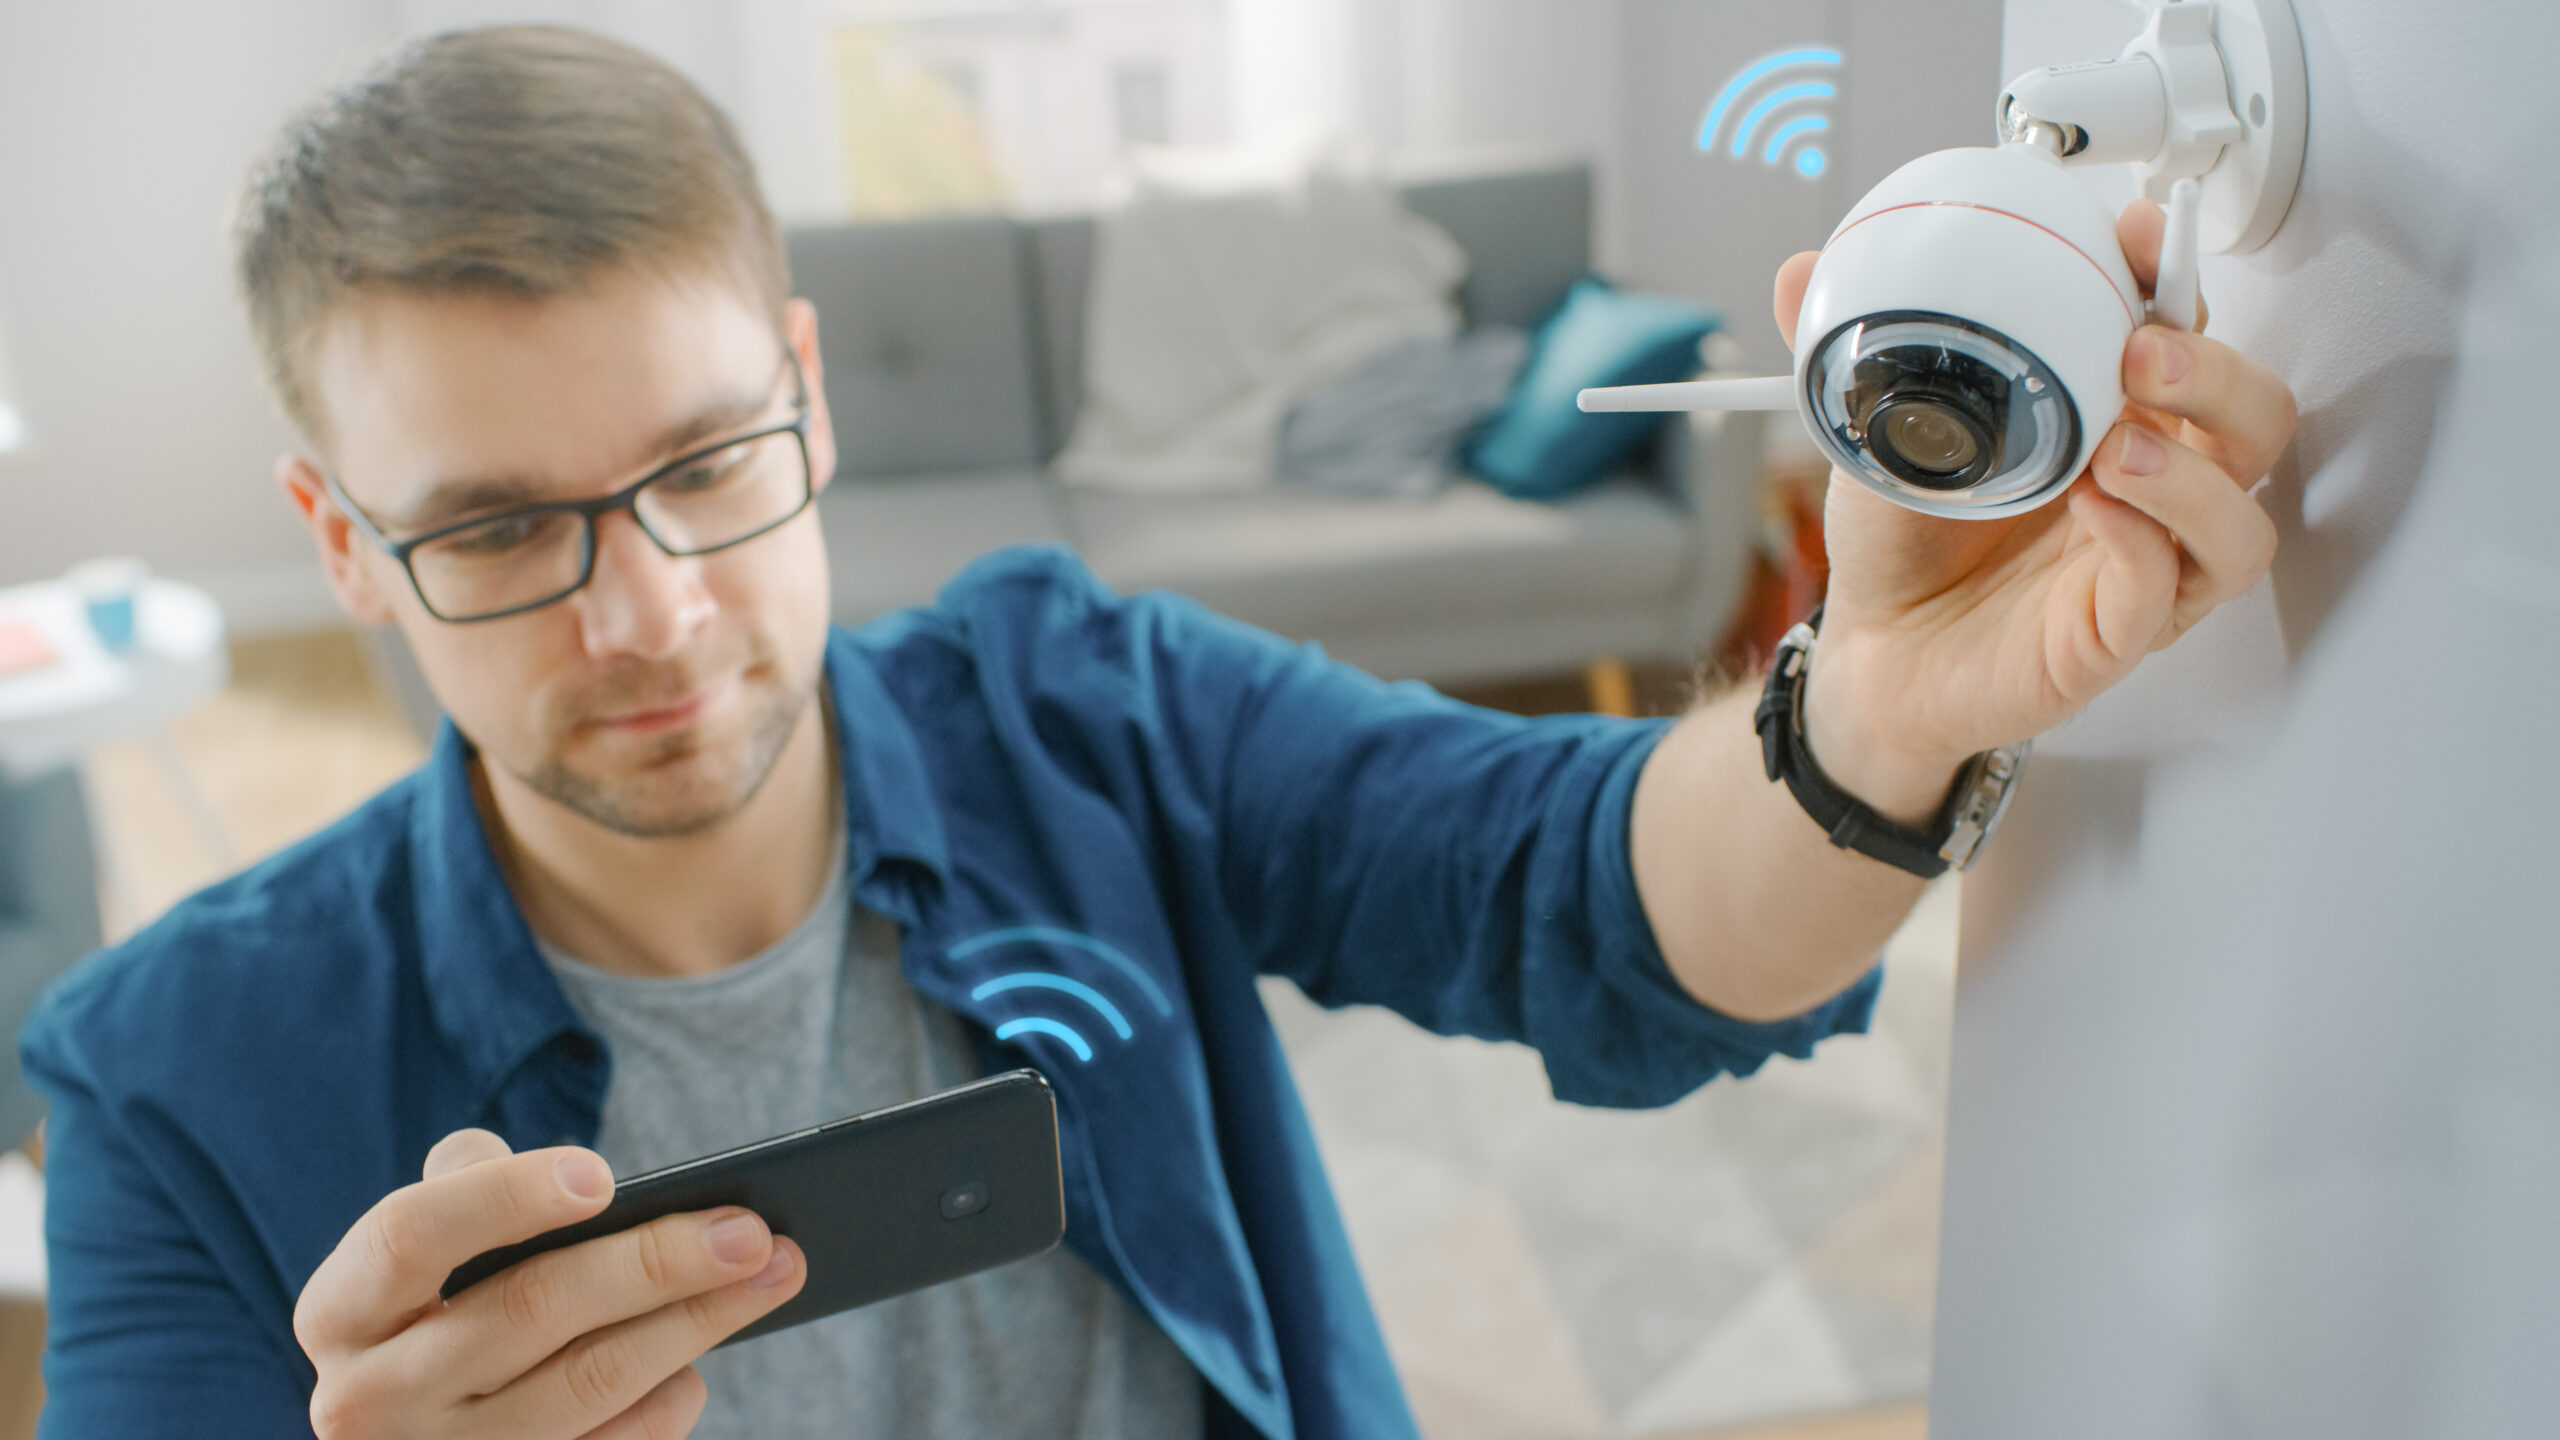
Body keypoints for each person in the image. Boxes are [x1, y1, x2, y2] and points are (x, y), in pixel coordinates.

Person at [17, 25, 2295, 1440]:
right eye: (499, 529)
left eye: (706, 466)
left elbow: (1598, 904)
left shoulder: (1074, 709)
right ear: (336, 541)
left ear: (807, 394)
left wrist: (1872, 707)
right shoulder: (168, 1088)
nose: (654, 610)